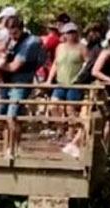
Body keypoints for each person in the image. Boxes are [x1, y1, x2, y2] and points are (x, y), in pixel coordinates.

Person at [0, 16, 44, 150]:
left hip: (20, 83)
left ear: (21, 29)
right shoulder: (9, 40)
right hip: (7, 83)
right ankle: (7, 146)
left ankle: (13, 148)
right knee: (1, 114)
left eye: (15, 32)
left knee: (13, 115)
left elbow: (14, 66)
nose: (12, 35)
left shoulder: (30, 43)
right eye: (10, 32)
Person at [47, 22, 87, 151]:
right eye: (66, 33)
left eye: (71, 32)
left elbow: (87, 64)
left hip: (74, 83)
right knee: (53, 105)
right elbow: (55, 63)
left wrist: (80, 78)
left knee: (71, 109)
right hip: (60, 82)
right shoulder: (60, 47)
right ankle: (60, 129)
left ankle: (70, 135)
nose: (69, 35)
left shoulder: (81, 47)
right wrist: (49, 79)